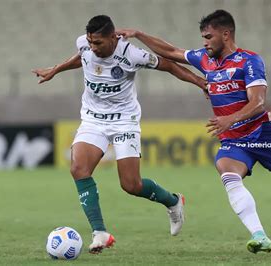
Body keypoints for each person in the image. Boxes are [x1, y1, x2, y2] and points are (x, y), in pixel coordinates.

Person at [117, 9, 271, 254]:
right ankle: (259, 234)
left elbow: (258, 102)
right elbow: (171, 52)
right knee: (226, 170)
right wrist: (139, 34)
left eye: (208, 37)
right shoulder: (205, 59)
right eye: (203, 37)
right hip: (234, 140)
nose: (204, 42)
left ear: (226, 35)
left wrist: (229, 119)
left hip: (263, 133)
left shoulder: (249, 61)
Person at [32, 15, 206, 254]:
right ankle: (100, 232)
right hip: (93, 119)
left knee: (131, 185)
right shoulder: (84, 44)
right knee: (78, 169)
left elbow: (169, 65)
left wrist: (199, 81)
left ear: (113, 38)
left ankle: (173, 201)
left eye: (99, 43)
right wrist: (56, 69)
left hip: (125, 121)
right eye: (91, 42)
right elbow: (81, 58)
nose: (94, 47)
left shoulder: (133, 54)